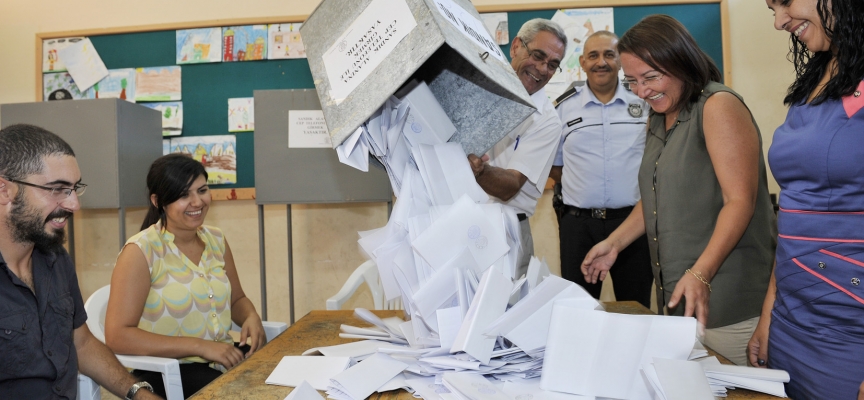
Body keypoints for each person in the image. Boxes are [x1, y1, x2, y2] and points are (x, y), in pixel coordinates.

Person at [580, 15, 776, 366]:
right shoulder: (659, 114)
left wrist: (701, 272)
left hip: (727, 306)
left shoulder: (718, 106)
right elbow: (656, 198)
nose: (641, 91)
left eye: (650, 77)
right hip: (678, 304)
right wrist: (615, 243)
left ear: (681, 61)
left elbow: (739, 201)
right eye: (632, 82)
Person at [748, 1, 864, 398]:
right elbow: (796, 215)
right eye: (771, 9)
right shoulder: (820, 71)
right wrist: (768, 317)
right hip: (791, 323)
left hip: (850, 334)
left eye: (784, 2)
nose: (779, 22)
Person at [0, 124, 160, 399]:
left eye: (74, 189)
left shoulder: (55, 258)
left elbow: (82, 344)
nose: (74, 204)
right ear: (5, 191)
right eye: (58, 189)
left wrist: (138, 392)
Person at [104, 153, 266, 398]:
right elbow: (118, 336)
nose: (197, 202)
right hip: (168, 371)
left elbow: (236, 300)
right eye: (183, 195)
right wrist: (200, 347)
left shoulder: (216, 240)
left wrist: (250, 316)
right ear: (158, 201)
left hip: (220, 360)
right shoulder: (140, 251)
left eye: (202, 190)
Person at [550, 31, 653, 308]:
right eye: (593, 55)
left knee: (636, 306)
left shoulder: (644, 102)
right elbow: (557, 167)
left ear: (620, 60)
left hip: (632, 223)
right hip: (578, 226)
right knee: (580, 308)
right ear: (582, 62)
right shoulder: (563, 108)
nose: (601, 62)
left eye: (609, 54)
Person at [468, 18, 565, 277]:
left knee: (506, 310)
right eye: (537, 56)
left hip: (506, 231)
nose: (543, 69)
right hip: (454, 222)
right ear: (515, 47)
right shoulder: (476, 82)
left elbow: (510, 186)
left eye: (553, 65)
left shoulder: (547, 119)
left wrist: (477, 170)